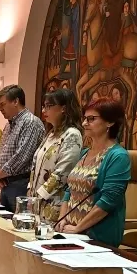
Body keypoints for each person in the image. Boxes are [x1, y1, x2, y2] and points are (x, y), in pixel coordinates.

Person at [56, 99, 130, 246]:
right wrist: (62, 218)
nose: (84, 123)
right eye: (85, 118)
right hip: (70, 233)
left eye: (91, 119)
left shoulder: (118, 157)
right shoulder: (84, 153)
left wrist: (78, 228)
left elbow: (108, 201)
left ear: (110, 122)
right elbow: (68, 190)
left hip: (96, 238)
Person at [29, 89, 84, 223]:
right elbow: (35, 166)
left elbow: (62, 173)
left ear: (63, 108)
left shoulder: (72, 134)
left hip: (54, 204)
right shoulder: (51, 134)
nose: (44, 110)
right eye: (44, 106)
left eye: (49, 106)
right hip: (36, 201)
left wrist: (39, 196)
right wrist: (30, 193)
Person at [0, 85, 46, 209]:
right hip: (4, 182)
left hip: (21, 183)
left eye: (2, 104)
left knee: (16, 223)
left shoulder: (31, 122)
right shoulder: (8, 125)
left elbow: (23, 156)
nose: (0, 109)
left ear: (16, 101)